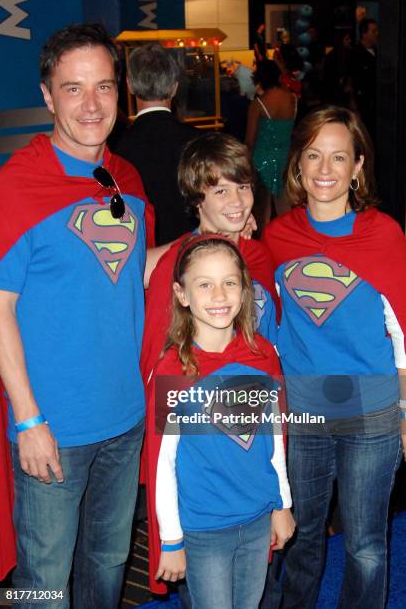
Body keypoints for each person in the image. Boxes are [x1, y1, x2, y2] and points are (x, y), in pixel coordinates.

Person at [0, 23, 155, 607]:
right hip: (52, 429)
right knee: (41, 583)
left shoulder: (127, 180)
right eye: (73, 88)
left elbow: (125, 274)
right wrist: (28, 421)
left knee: (109, 564)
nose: (92, 105)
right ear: (46, 95)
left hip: (125, 417)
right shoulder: (15, 188)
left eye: (105, 87)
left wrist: (207, 245)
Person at [262, 105, 406, 608]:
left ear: (358, 166)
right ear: (297, 165)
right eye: (314, 156)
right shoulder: (277, 238)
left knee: (366, 545)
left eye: (339, 157)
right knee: (299, 538)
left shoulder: (384, 235)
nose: (325, 170)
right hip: (303, 413)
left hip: (372, 411)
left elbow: (402, 331)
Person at [147, 234, 295, 609]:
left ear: (245, 291)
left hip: (258, 517)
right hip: (204, 529)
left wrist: (283, 505)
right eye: (204, 284)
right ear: (182, 294)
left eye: (230, 282)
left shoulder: (264, 357)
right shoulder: (174, 369)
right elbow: (162, 463)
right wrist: (172, 540)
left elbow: (275, 439)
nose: (219, 295)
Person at [141, 132, 278, 392]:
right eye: (220, 191)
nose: (236, 201)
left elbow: (270, 336)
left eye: (243, 187)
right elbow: (155, 356)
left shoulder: (258, 254)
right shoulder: (177, 265)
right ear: (196, 200)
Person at [115, 43, 200, 245]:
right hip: (197, 251)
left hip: (143, 256)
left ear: (130, 85)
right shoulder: (200, 142)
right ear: (174, 87)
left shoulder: (117, 149)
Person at [245, 60, 297, 221]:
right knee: (284, 205)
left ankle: (265, 241)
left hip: (262, 159)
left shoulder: (258, 104)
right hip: (285, 156)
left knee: (262, 209)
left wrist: (247, 163)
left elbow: (250, 140)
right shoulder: (292, 99)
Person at [349, 18, 378, 142]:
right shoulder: (355, 54)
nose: (377, 33)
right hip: (362, 106)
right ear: (364, 33)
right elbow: (350, 83)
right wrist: (355, 109)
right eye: (373, 31)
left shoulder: (378, 52)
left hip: (376, 106)